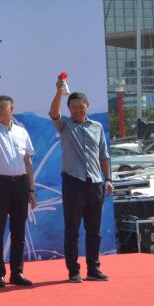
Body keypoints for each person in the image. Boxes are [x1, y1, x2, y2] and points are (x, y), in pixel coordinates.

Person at [49, 87, 112, 283]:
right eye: (73, 107)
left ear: (87, 106)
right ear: (69, 109)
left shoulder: (97, 127)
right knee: (73, 230)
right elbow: (54, 112)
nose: (77, 110)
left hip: (95, 183)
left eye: (81, 106)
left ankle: (93, 269)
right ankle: (73, 271)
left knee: (94, 230)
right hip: (73, 182)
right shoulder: (65, 125)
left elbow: (104, 155)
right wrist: (59, 91)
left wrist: (108, 179)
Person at [0, 93, 37, 288]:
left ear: (12, 109)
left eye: (3, 107)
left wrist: (31, 189)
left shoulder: (21, 132)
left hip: (20, 184)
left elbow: (27, 162)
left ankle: (17, 272)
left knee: (18, 231)